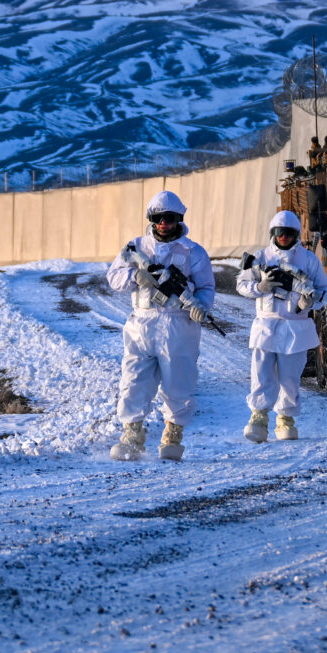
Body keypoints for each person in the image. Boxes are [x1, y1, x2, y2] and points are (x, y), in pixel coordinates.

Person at [106, 191, 216, 462]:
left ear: (179, 219)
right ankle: (132, 435)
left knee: (179, 383)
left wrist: (201, 306)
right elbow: (114, 278)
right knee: (134, 380)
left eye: (169, 218)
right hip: (141, 324)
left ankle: (173, 435)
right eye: (158, 219)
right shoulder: (137, 247)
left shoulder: (194, 252)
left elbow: (206, 288)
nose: (163, 224)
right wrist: (136, 276)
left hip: (180, 325)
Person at [236, 210, 327, 443]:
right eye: (279, 233)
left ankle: (285, 420)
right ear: (273, 233)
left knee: (290, 378)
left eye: (288, 233)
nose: (283, 237)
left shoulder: (308, 260)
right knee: (261, 374)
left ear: (296, 234)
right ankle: (258, 418)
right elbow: (241, 284)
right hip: (266, 325)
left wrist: (310, 301)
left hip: (295, 326)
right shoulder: (261, 258)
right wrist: (261, 287)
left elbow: (325, 290)